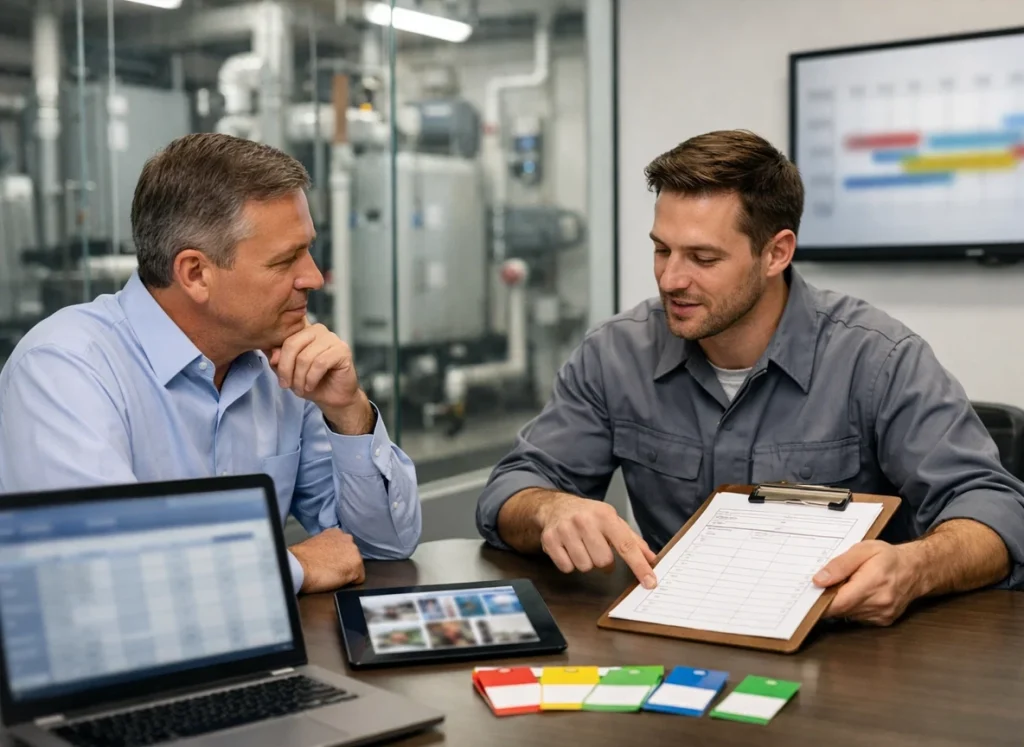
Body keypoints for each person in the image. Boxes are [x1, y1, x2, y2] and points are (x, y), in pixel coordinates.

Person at [476, 129, 1024, 626]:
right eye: (661, 250)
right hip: (673, 640)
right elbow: (508, 492)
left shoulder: (878, 358)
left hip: (846, 658)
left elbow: (996, 511)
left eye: (703, 258)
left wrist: (913, 568)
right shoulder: (615, 353)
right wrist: (552, 508)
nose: (671, 278)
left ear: (776, 253)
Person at [0, 133, 421, 593]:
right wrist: (293, 566)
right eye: (286, 261)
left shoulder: (280, 366)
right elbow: (103, 574)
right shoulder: (65, 368)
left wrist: (349, 413)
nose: (314, 278)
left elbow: (382, 547)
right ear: (196, 273)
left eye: (309, 250)